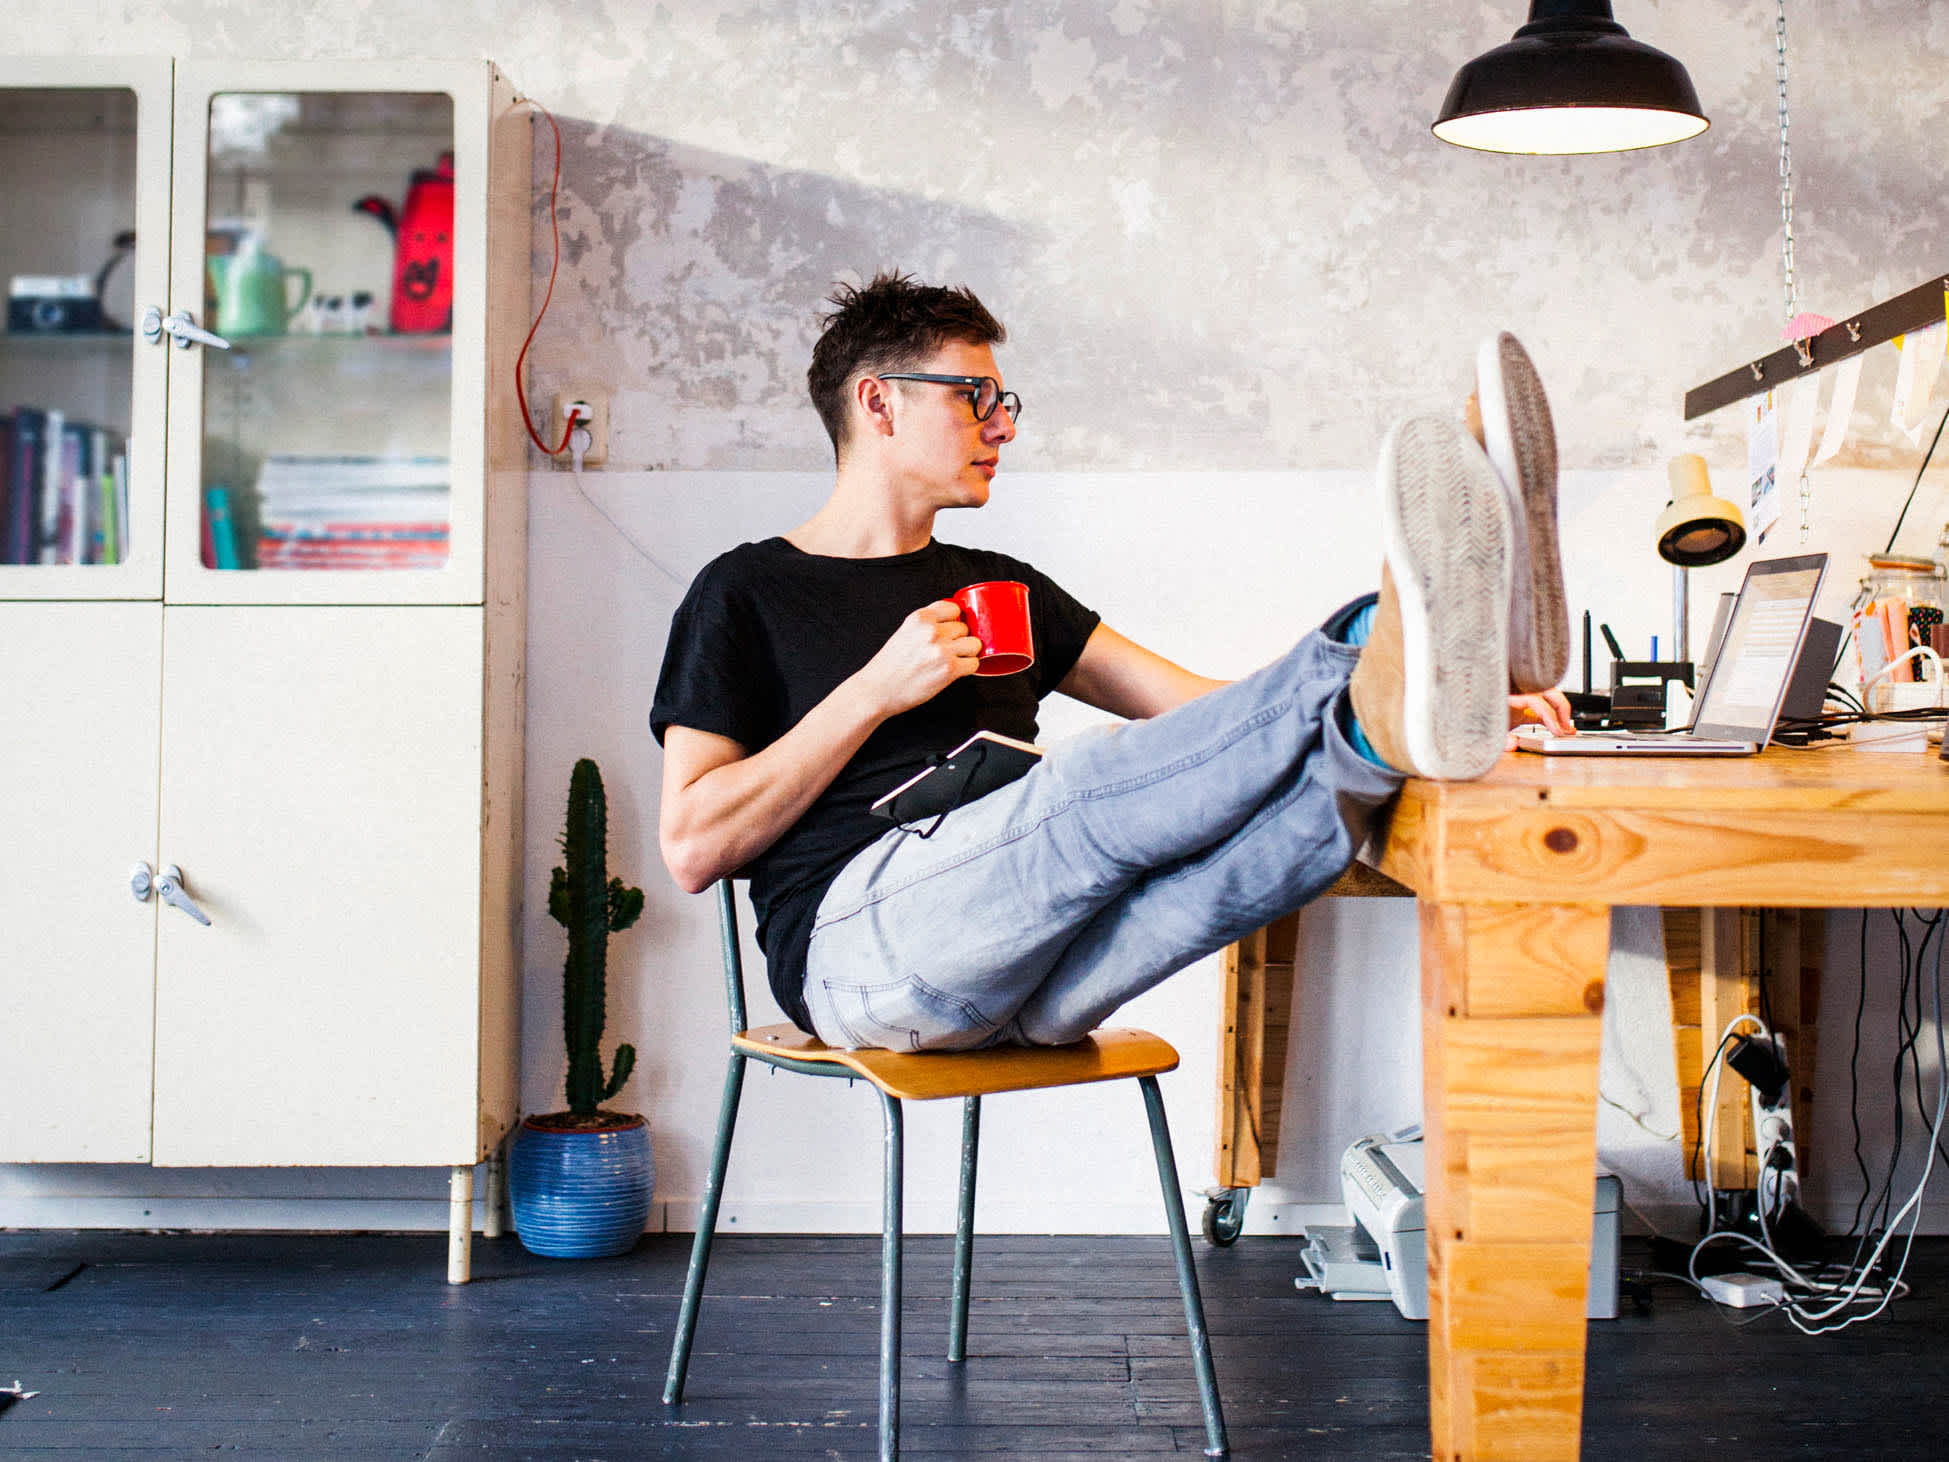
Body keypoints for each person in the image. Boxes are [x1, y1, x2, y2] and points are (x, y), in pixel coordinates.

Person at [652, 272, 1572, 1052]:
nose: (1001, 426)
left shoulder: (1005, 587)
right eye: (973, 397)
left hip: (1031, 982)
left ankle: (1416, 685)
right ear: (878, 400)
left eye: (1002, 402)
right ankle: (1390, 630)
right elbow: (692, 848)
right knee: (1077, 789)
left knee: (1252, 861)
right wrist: (871, 694)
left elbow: (1202, 714)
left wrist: (1472, 698)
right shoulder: (746, 591)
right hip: (857, 960)